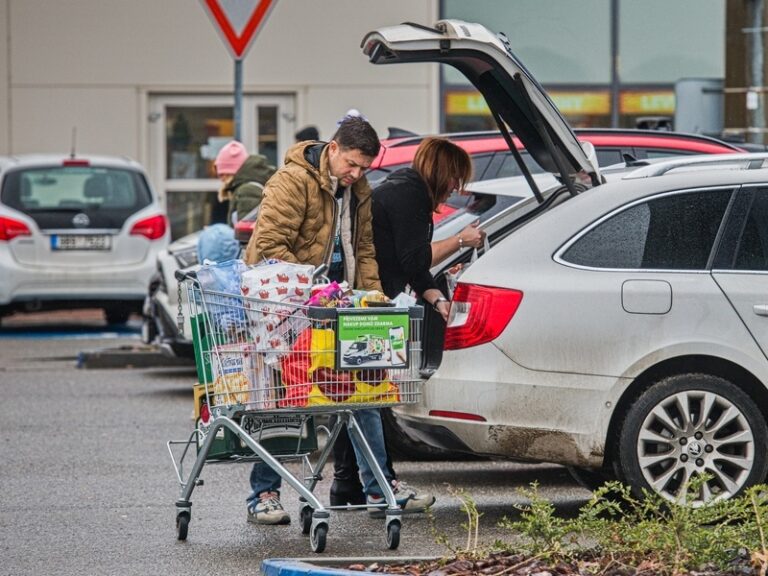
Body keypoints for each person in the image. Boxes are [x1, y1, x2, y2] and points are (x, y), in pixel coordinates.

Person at [243, 116, 434, 524]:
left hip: (337, 305)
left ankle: (379, 488)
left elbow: (363, 250)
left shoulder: (358, 191)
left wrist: (374, 300)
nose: (357, 174)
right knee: (285, 399)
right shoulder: (291, 181)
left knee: (363, 391)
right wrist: (314, 291)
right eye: (352, 164)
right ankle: (264, 494)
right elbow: (270, 246)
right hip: (288, 305)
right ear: (333, 148)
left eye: (364, 167)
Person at [371, 137, 486, 318]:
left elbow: (411, 265)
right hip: (371, 299)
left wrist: (438, 300)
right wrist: (461, 240)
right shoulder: (408, 196)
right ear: (439, 172)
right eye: (455, 178)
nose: (456, 187)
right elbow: (415, 259)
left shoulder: (405, 190)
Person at [214, 140, 276, 226]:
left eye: (223, 174)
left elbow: (246, 230)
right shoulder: (247, 187)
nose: (221, 179)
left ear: (231, 172)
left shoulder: (247, 190)